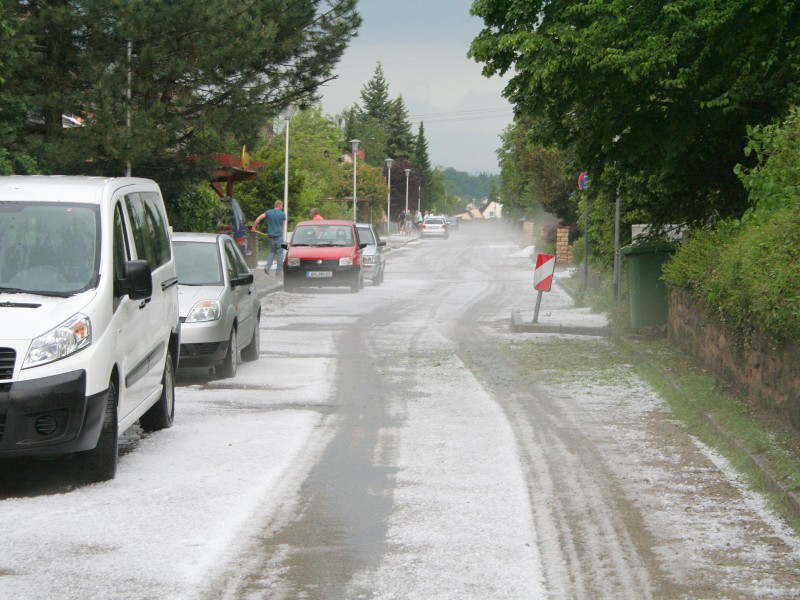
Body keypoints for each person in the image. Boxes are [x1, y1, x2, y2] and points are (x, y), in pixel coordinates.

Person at [252, 200, 287, 276]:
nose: (282, 207)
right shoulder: (282, 214)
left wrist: (254, 227)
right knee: (280, 254)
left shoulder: (269, 212)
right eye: (282, 206)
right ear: (279, 205)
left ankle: (267, 267)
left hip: (271, 236)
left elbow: (258, 218)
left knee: (272, 252)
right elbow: (283, 226)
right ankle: (278, 272)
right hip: (279, 237)